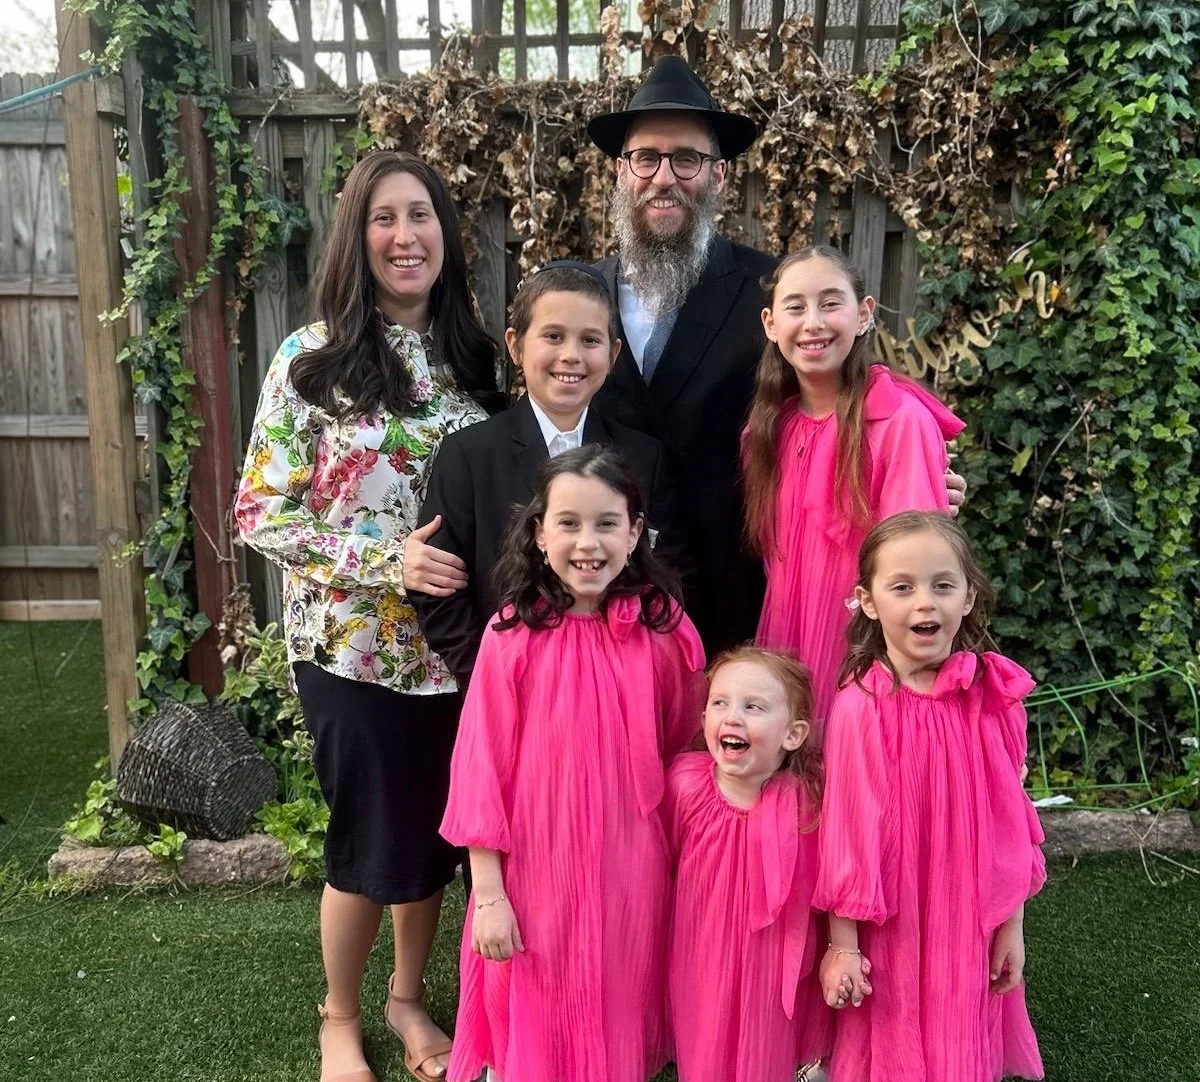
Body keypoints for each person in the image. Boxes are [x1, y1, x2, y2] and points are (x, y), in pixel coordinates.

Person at [235, 150, 501, 1082]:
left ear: (445, 236)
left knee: (435, 833)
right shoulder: (310, 360)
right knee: (367, 836)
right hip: (352, 648)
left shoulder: (477, 359)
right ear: (359, 237)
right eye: (385, 218)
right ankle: (338, 1017)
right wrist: (387, 560)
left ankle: (406, 1000)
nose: (405, 236)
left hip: (458, 654)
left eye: (421, 216)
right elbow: (260, 512)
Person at [586, 55, 966, 655]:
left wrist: (913, 470)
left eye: (687, 158)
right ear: (621, 171)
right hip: (605, 595)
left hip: (742, 601)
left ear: (718, 176)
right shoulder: (579, 301)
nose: (665, 176)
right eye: (646, 157)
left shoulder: (772, 292)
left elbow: (828, 405)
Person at [438, 445, 706, 1082]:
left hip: (630, 864)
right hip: (535, 867)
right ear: (539, 532)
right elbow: (483, 769)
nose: (588, 543)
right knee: (538, 996)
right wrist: (491, 893)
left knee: (618, 994)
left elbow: (683, 747)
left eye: (607, 523)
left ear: (636, 531)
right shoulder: (512, 635)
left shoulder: (665, 632)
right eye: (568, 523)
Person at [814, 511, 1046, 1082]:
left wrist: (1009, 924)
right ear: (867, 601)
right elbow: (848, 830)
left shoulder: (991, 697)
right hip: (893, 915)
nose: (926, 603)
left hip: (967, 911)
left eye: (943, 585)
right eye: (903, 587)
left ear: (968, 597)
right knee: (894, 1029)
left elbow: (1007, 823)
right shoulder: (860, 705)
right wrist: (843, 946)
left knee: (959, 1031)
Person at [410, 260, 684, 686]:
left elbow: (667, 575)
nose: (571, 355)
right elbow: (439, 589)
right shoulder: (469, 455)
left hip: (616, 685)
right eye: (553, 336)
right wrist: (488, 674)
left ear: (612, 356)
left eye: (589, 340)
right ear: (516, 347)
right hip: (506, 685)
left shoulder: (644, 457)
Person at [744, 246, 965, 722]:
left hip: (864, 654)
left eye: (831, 303)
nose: (813, 322)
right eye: (796, 307)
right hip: (787, 640)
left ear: (864, 314)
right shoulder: (765, 433)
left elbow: (918, 562)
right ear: (770, 324)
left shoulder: (899, 422)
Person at [664, 645, 833, 1082]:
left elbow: (822, 890)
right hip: (700, 953)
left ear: (792, 735)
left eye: (753, 707)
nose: (732, 716)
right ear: (703, 720)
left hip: (770, 962)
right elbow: (664, 863)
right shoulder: (685, 786)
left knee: (766, 1050)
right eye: (719, 703)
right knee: (705, 1042)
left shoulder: (807, 805)